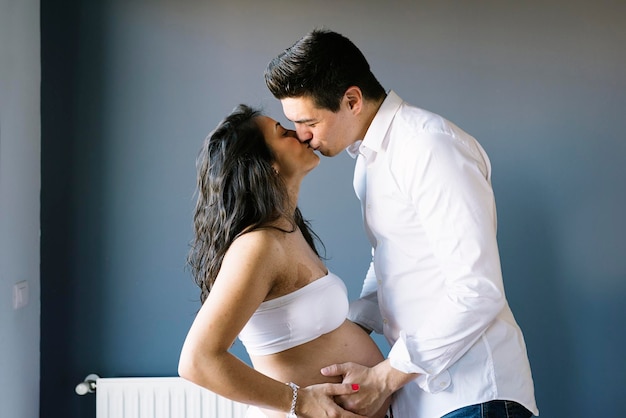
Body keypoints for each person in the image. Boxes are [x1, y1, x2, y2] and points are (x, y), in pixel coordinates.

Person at [265, 29, 539, 418]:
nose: (303, 137)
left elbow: (478, 289)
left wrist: (384, 378)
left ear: (352, 100)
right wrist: (349, 331)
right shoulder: (367, 163)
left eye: (308, 121)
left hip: (474, 394)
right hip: (421, 400)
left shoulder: (430, 145)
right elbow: (395, 264)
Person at [177, 104, 391, 418]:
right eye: (283, 132)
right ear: (267, 165)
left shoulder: (287, 230)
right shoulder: (258, 245)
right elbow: (197, 361)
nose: (301, 133)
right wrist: (302, 402)